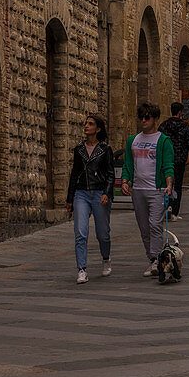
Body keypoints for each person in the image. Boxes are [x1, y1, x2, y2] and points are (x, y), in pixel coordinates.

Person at [121, 102, 175, 277]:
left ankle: (156, 260)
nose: (143, 120)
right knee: (144, 228)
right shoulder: (133, 140)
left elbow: (168, 165)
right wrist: (125, 181)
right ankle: (152, 258)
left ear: (155, 119)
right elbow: (128, 164)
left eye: (147, 117)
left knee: (155, 225)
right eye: (141, 117)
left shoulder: (163, 141)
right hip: (138, 189)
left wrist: (169, 184)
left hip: (156, 189)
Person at [66, 113, 114, 284]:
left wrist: (107, 193)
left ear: (98, 129)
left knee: (103, 234)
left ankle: (106, 258)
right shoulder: (79, 150)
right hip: (81, 193)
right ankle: (82, 269)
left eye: (90, 124)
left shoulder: (105, 149)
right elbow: (74, 174)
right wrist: (70, 198)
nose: (86, 126)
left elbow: (110, 173)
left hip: (99, 193)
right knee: (80, 231)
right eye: (86, 124)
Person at [160, 102, 189, 219]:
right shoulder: (184, 126)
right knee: (177, 185)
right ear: (180, 112)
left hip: (166, 159)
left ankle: (166, 207)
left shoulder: (164, 125)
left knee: (166, 183)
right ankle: (175, 211)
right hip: (180, 159)